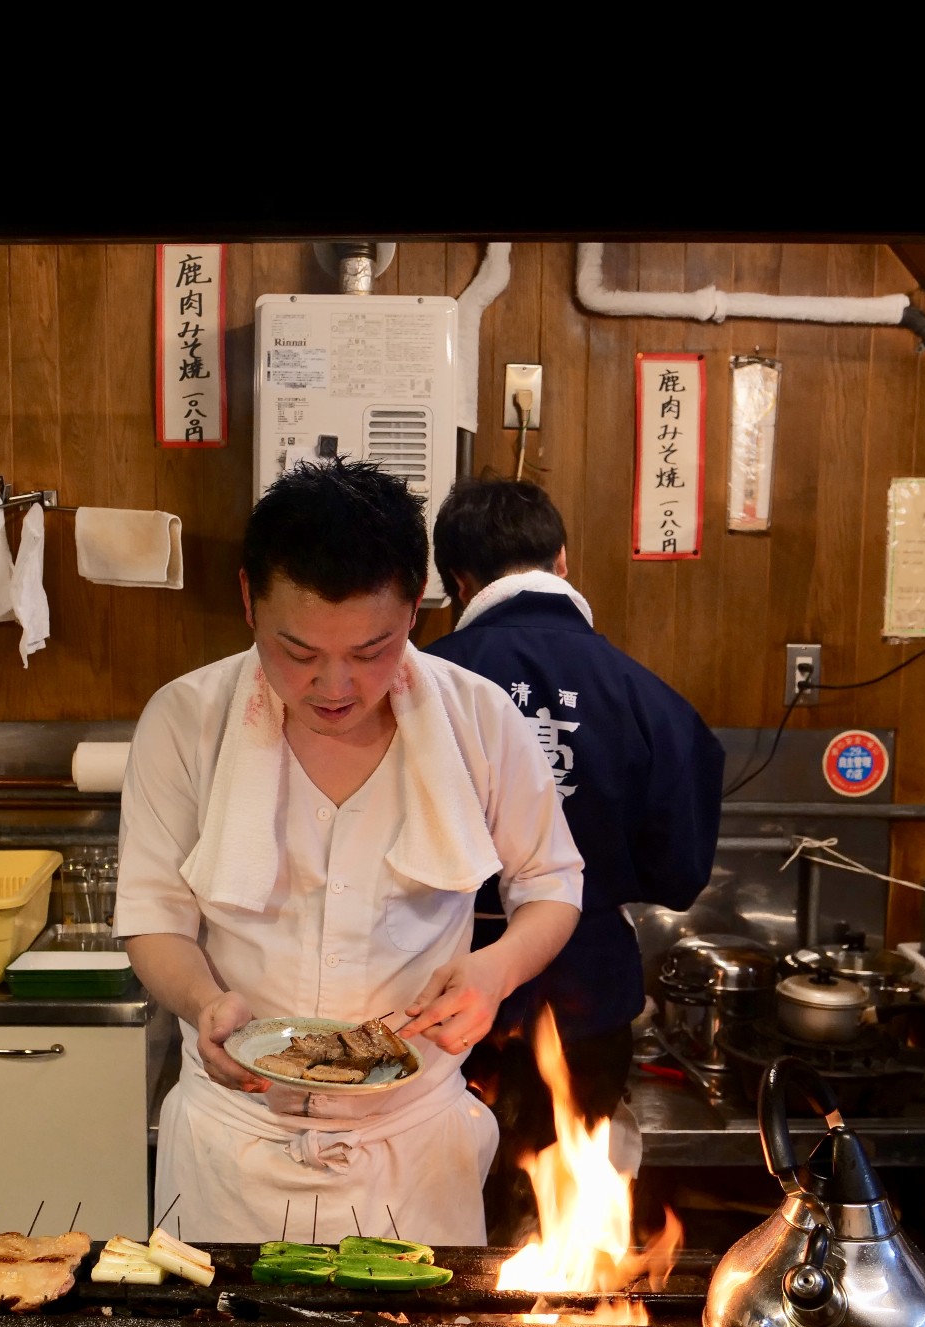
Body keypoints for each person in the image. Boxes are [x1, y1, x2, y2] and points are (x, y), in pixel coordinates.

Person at [117, 459, 584, 1246]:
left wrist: (494, 970)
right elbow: (152, 917)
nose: (334, 684)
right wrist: (204, 1002)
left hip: (413, 1152)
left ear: (419, 608)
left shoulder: (481, 719)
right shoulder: (184, 720)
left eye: (372, 650)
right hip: (233, 1147)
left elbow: (553, 884)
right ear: (247, 600)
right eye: (297, 651)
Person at [425, 478, 722, 1232]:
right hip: (588, 995)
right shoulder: (650, 699)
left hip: (440, 994)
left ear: (456, 582)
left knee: (442, 1225)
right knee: (564, 1234)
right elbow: (682, 874)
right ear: (562, 560)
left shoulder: (417, 684)